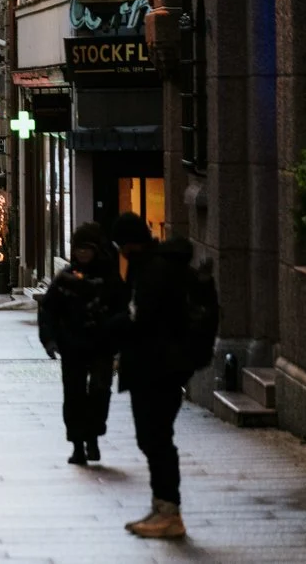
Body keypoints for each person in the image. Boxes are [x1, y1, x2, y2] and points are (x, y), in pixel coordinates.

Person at [111, 212, 206, 540]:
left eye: (121, 245)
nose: (120, 252)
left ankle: (169, 512)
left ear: (128, 243)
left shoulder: (151, 271)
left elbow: (142, 320)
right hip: (162, 365)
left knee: (155, 438)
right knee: (154, 438)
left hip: (156, 367)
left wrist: (113, 325)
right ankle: (162, 506)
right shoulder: (157, 264)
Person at [38, 222, 127, 466]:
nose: (82, 254)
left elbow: (122, 309)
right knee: (74, 394)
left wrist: (118, 335)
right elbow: (48, 310)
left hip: (102, 345)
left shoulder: (109, 278)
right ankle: (78, 445)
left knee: (100, 391)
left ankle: (93, 437)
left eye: (87, 249)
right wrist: (50, 340)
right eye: (79, 249)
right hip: (73, 345)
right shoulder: (65, 278)